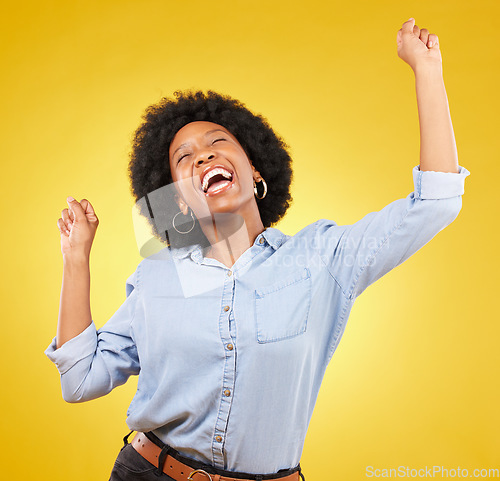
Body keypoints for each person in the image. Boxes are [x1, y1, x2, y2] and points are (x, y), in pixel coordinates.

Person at [46, 18, 470, 481]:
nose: (203, 156)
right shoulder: (158, 275)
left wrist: (427, 69)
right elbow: (80, 380)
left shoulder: (322, 258)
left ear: (256, 172)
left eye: (218, 143)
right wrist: (75, 258)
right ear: (178, 203)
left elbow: (437, 203)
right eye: (183, 158)